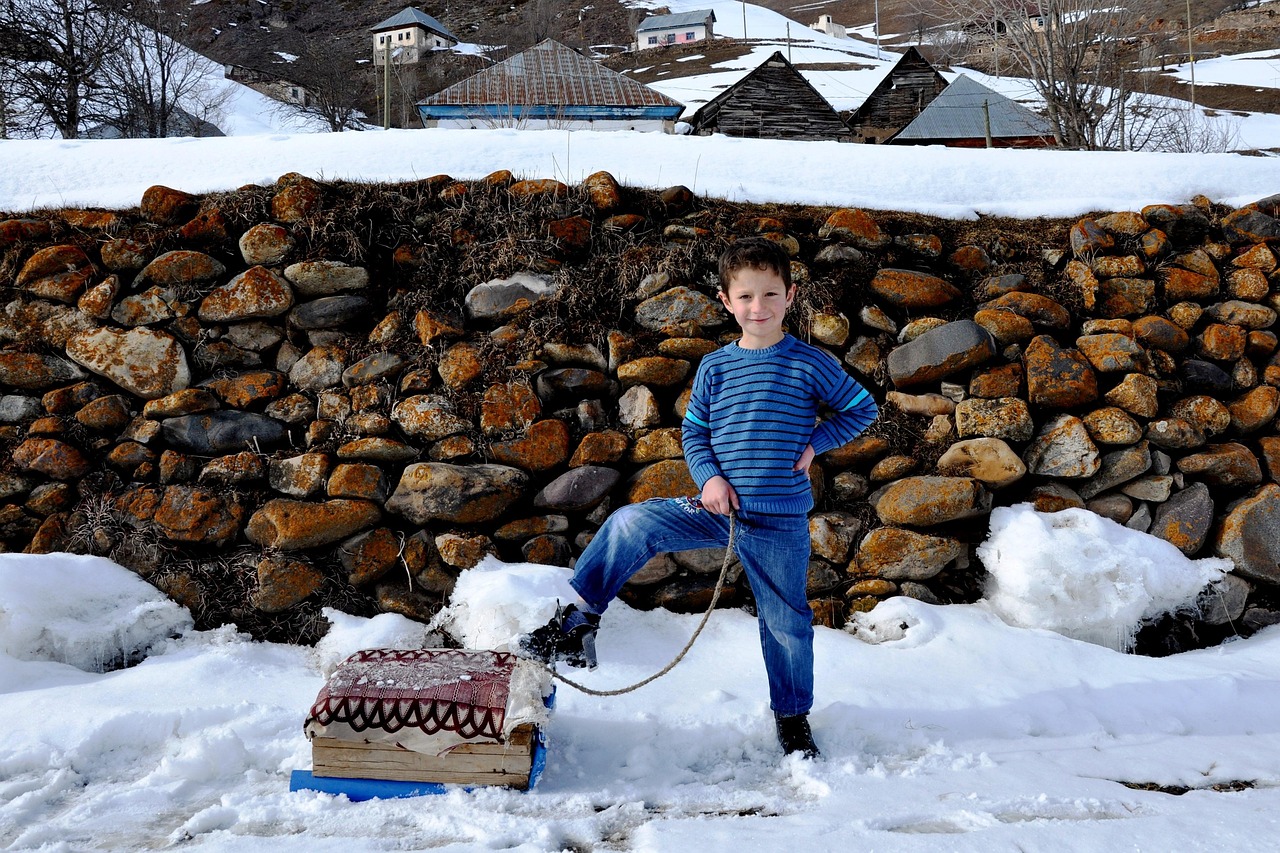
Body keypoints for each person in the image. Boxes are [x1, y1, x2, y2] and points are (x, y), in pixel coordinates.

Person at [518, 237, 879, 759]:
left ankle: (793, 717)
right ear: (726, 301)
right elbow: (695, 434)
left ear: (791, 296)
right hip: (718, 509)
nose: (760, 308)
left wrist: (816, 444)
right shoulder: (715, 367)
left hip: (778, 522)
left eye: (771, 295)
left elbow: (860, 409)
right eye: (747, 297)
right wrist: (709, 479)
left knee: (786, 626)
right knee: (630, 523)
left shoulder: (810, 363)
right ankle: (576, 621)